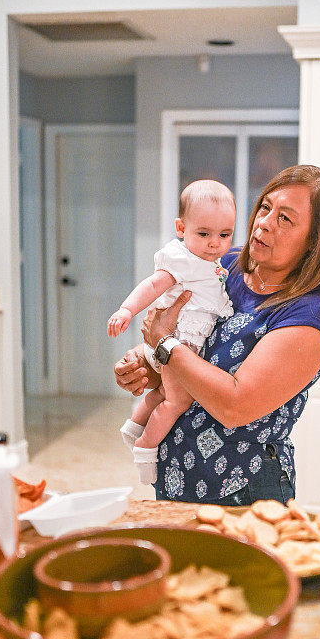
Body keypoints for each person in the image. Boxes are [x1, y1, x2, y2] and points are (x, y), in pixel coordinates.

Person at [114, 165, 320, 504]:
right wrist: (145, 369)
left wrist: (163, 344)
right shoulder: (223, 265)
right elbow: (187, 354)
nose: (265, 222)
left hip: (243, 490)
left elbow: (235, 405)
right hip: (177, 476)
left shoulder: (309, 315)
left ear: (315, 241)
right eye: (266, 207)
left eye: (285, 219)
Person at [107, 179, 236, 483]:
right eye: (203, 233)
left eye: (224, 234)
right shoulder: (182, 259)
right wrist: (127, 309)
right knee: (177, 402)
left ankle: (134, 426)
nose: (214, 242)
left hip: (176, 347)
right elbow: (153, 285)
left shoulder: (212, 262)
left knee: (164, 392)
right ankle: (145, 449)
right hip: (177, 345)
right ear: (181, 228)